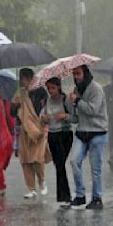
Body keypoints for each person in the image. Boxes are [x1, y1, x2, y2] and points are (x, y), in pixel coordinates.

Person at [68, 65, 108, 210]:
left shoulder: (96, 89)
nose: (76, 77)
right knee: (74, 161)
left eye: (78, 73)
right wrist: (67, 109)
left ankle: (97, 198)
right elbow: (75, 117)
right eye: (74, 74)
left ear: (85, 73)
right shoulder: (76, 90)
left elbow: (93, 110)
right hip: (82, 132)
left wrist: (78, 101)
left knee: (95, 168)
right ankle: (80, 195)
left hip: (97, 132)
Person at [11, 68, 50, 199]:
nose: (21, 82)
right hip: (24, 130)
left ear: (29, 78)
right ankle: (31, 188)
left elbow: (47, 108)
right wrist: (15, 105)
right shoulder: (19, 94)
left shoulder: (41, 91)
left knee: (37, 158)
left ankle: (42, 181)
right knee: (26, 160)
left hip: (38, 128)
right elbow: (13, 114)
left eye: (23, 79)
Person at [41, 77, 75, 206]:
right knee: (58, 165)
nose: (51, 91)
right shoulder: (46, 101)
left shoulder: (65, 100)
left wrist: (64, 116)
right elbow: (42, 117)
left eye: (53, 88)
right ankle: (63, 197)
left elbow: (74, 118)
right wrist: (43, 118)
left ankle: (66, 196)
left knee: (60, 164)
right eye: (48, 88)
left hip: (65, 135)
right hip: (52, 135)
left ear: (59, 87)